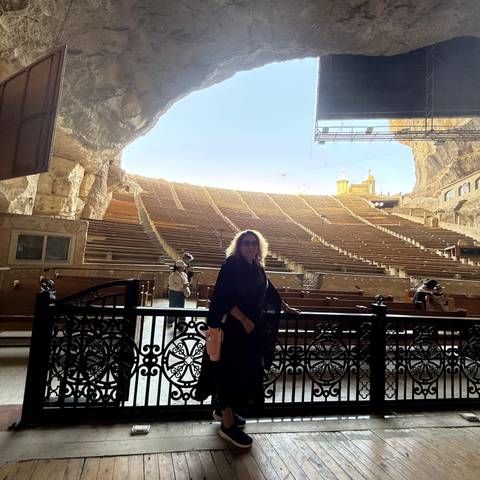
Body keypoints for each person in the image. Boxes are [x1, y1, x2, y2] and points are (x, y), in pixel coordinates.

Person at [194, 229, 299, 448]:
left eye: (254, 243)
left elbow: (269, 291)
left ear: (259, 247)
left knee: (243, 372)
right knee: (230, 372)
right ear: (239, 246)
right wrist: (243, 319)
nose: (250, 246)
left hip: (250, 331)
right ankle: (227, 425)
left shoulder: (258, 267)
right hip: (234, 329)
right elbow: (222, 296)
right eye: (246, 243)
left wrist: (285, 307)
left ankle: (225, 411)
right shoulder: (232, 264)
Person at [167, 260, 191, 327]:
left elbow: (185, 282)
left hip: (182, 292)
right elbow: (172, 285)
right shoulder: (172, 275)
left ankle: (181, 322)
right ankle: (170, 321)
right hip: (174, 292)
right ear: (178, 267)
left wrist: (186, 285)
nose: (184, 268)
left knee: (181, 307)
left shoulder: (184, 274)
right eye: (182, 267)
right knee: (172, 307)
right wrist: (182, 286)